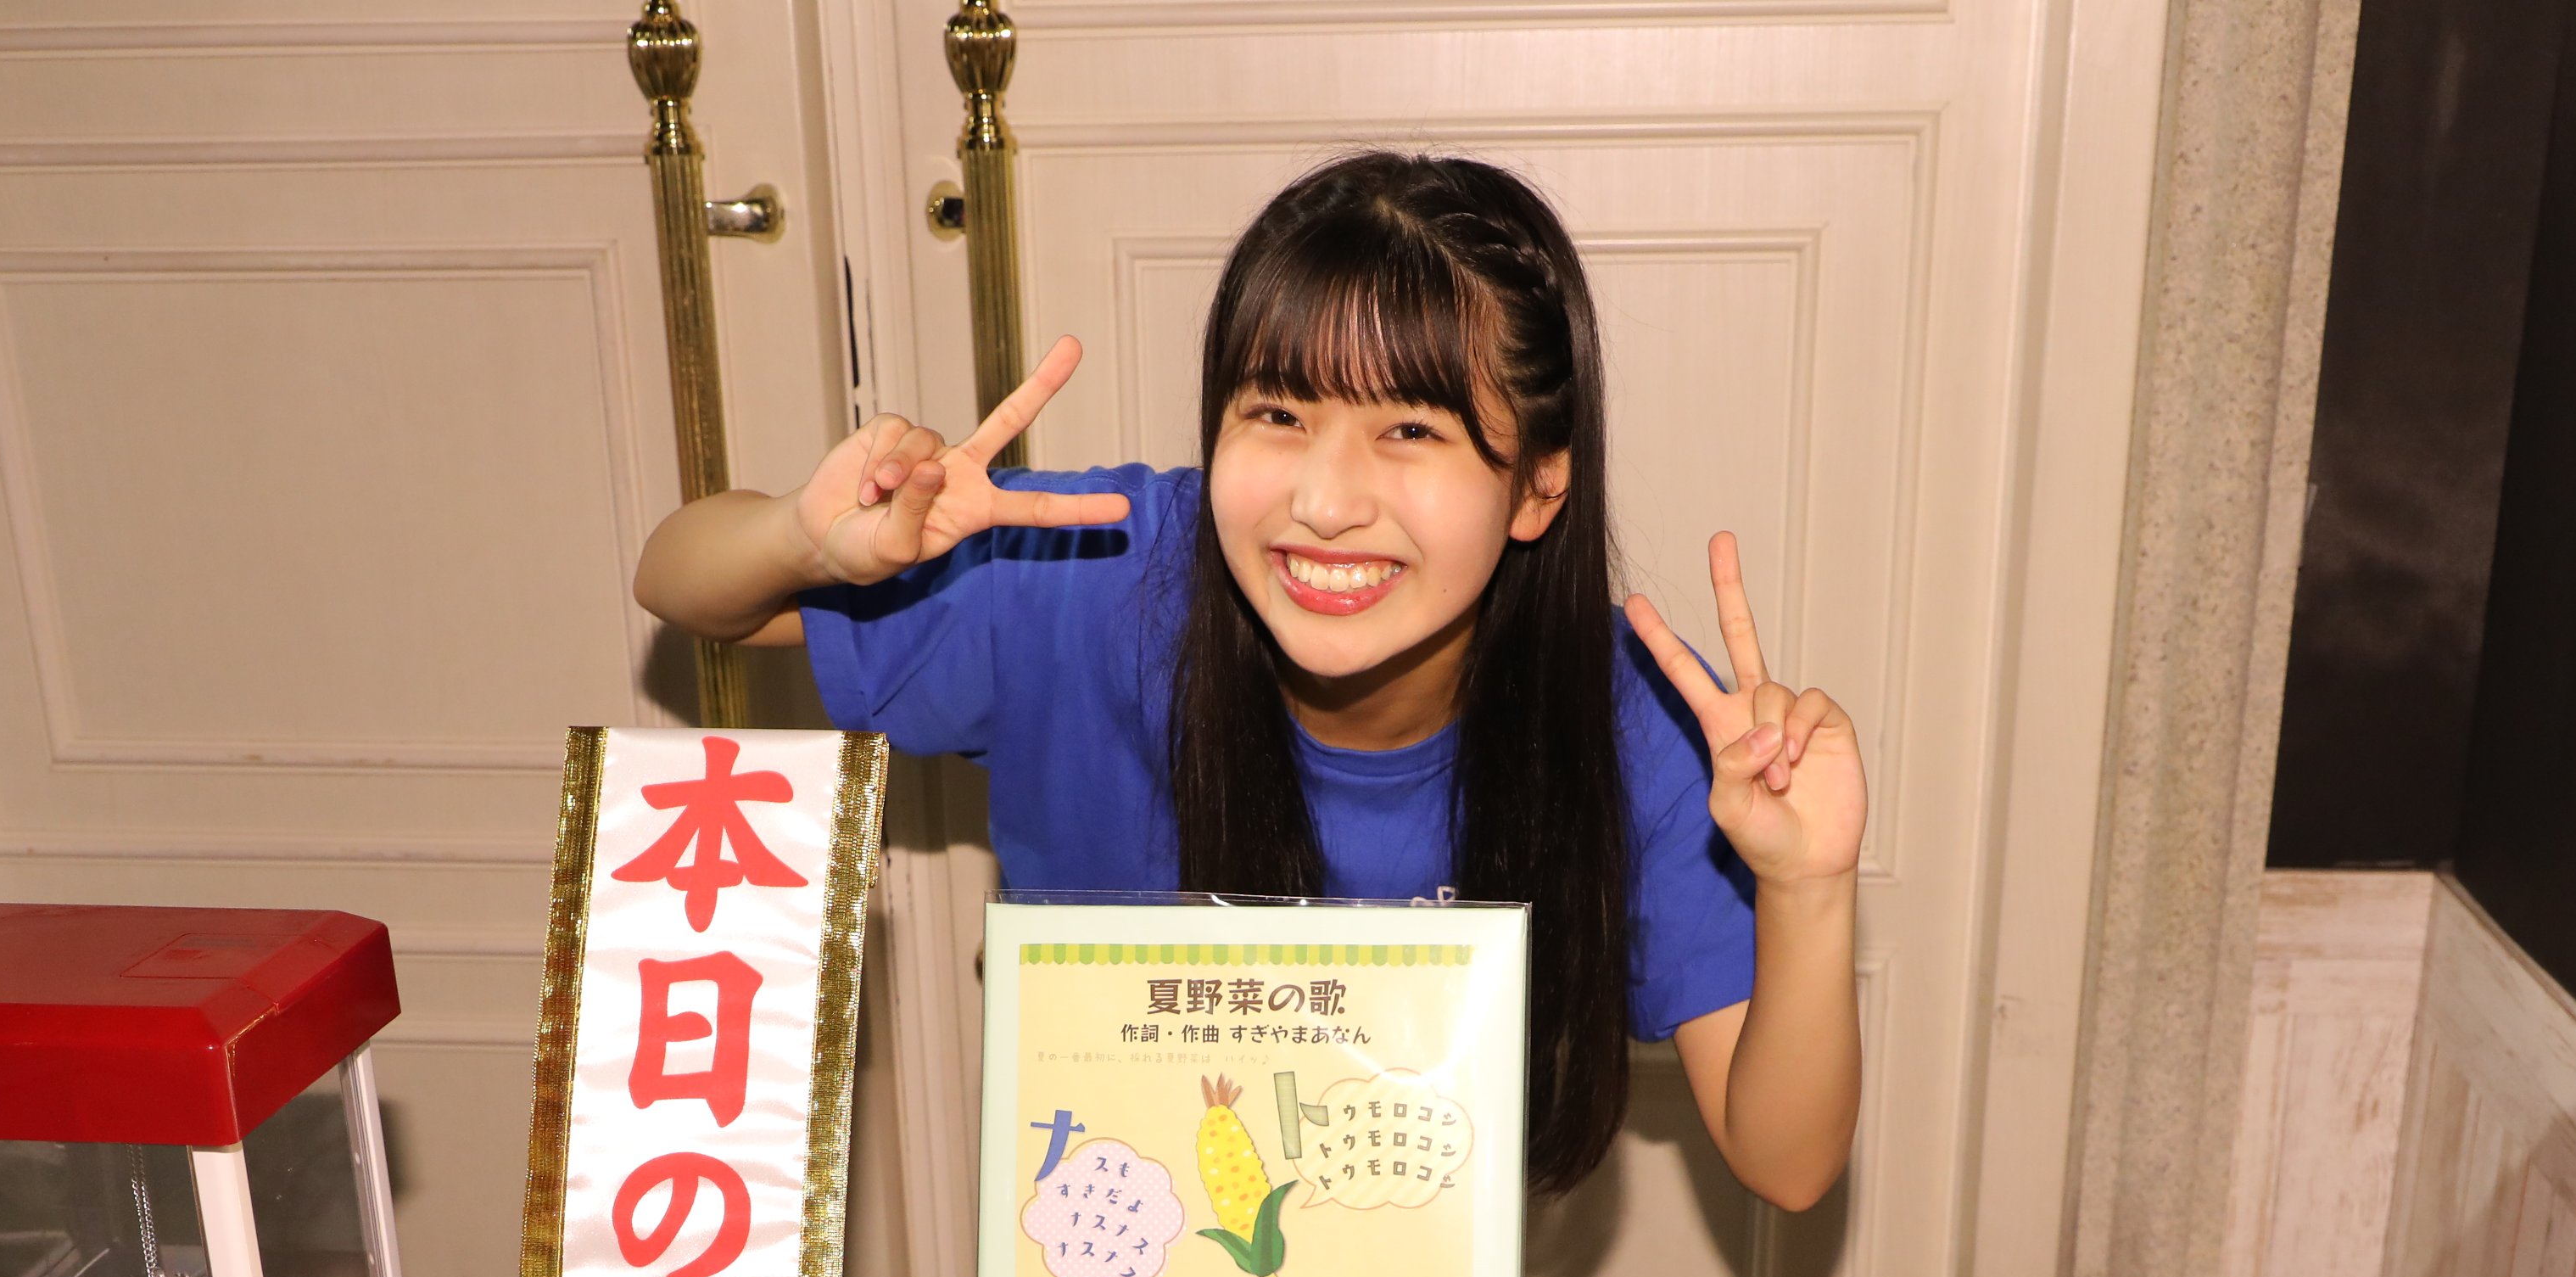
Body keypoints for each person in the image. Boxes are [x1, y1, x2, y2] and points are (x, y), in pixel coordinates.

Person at [634, 151, 1862, 1210]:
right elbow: (684, 586)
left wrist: (1808, 887)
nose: (1324, 503)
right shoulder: (1095, 571)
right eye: (1277, 414)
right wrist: (807, 541)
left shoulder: (1630, 718)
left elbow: (1787, 1162)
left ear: (1539, 485)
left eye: (1411, 430)